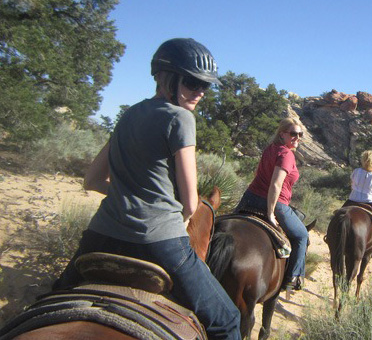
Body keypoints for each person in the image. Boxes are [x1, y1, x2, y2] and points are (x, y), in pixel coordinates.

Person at [53, 38, 241, 340]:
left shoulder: (129, 113)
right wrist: (165, 210)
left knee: (52, 301)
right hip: (160, 241)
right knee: (227, 319)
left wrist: (126, 197)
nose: (201, 92)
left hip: (100, 235)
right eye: (193, 83)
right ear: (169, 77)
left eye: (206, 86)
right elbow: (191, 203)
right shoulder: (181, 118)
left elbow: (92, 180)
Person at [234, 117, 308, 290]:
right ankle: (294, 276)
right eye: (293, 134)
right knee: (301, 236)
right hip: (276, 203)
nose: (297, 138)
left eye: (300, 134)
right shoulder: (286, 154)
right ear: (282, 134)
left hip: (250, 197)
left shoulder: (270, 149)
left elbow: (258, 173)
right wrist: (270, 213)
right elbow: (276, 184)